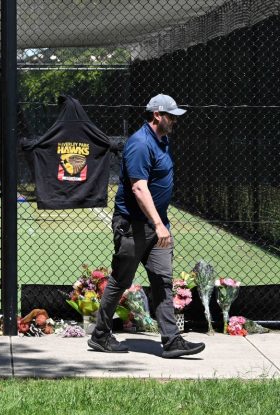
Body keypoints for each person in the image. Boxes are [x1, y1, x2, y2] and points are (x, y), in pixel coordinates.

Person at [88, 94, 205, 359]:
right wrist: (158, 223)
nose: (174, 120)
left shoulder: (162, 140)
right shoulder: (140, 144)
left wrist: (160, 224)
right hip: (133, 226)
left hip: (157, 227)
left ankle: (172, 341)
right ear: (157, 115)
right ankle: (100, 335)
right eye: (171, 116)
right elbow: (139, 188)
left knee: (163, 281)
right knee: (121, 280)